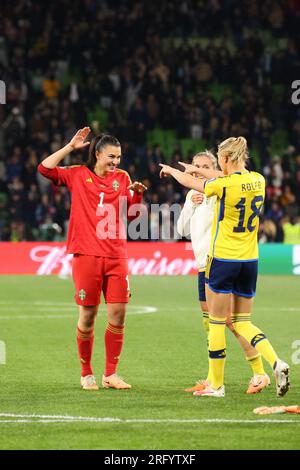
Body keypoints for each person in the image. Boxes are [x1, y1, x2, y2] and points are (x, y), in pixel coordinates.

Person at [160, 137, 290, 398]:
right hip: (250, 260)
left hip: (222, 260)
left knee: (217, 322)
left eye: (219, 160)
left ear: (226, 159)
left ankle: (217, 385)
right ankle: (276, 363)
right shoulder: (258, 180)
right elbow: (221, 176)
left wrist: (174, 171)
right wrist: (199, 170)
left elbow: (194, 182)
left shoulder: (222, 186)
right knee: (243, 321)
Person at [38, 127, 147, 391]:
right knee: (88, 316)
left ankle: (111, 374)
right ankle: (86, 373)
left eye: (119, 157)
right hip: (86, 254)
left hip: (116, 254)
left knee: (118, 314)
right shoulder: (77, 174)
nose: (116, 162)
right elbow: (44, 168)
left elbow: (132, 217)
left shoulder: (122, 178)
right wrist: (70, 147)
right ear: (97, 154)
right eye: (111, 156)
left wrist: (138, 196)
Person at [177, 151, 270, 395]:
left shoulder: (222, 191)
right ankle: (213, 378)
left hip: (220, 262)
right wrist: (190, 204)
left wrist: (203, 190)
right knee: (211, 324)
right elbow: (181, 229)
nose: (197, 169)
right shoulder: (194, 194)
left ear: (216, 168)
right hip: (202, 265)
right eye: (195, 165)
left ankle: (259, 372)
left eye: (204, 166)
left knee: (230, 322)